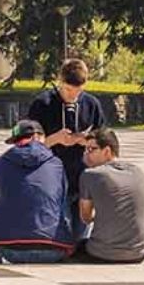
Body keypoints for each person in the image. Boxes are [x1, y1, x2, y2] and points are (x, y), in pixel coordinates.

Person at [0, 120, 74, 264]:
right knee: (62, 201)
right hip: (55, 250)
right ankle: (69, 245)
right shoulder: (56, 163)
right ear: (41, 137)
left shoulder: (1, 162)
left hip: (12, 252)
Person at [25, 57, 106, 205]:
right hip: (49, 180)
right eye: (68, 90)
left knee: (81, 226)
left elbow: (104, 142)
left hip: (83, 179)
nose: (73, 96)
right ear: (60, 81)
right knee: (58, 225)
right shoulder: (43, 104)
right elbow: (26, 147)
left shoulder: (91, 105)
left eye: (78, 91)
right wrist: (53, 139)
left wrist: (88, 142)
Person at [73, 129, 144, 264]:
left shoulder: (90, 174)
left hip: (103, 252)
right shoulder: (138, 172)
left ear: (107, 151)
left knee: (73, 247)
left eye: (91, 149)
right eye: (85, 150)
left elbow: (86, 217)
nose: (86, 155)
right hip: (139, 252)